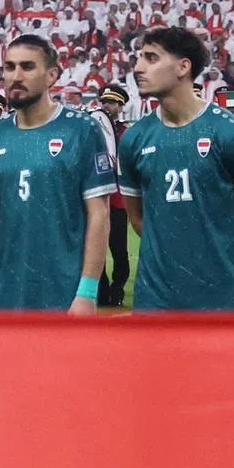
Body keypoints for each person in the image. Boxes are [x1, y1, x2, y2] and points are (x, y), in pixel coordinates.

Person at [0, 34, 114, 314]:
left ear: (52, 75)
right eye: (9, 67)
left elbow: (99, 215)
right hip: (4, 296)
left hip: (65, 295)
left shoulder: (82, 130)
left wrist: (87, 292)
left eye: (27, 67)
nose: (16, 76)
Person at [118, 29, 234, 310]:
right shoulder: (134, 139)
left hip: (219, 296)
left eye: (151, 58)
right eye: (139, 58)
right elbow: (137, 218)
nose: (138, 67)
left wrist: (223, 261)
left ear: (183, 67)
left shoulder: (230, 132)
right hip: (154, 299)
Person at [90, 84, 131, 306]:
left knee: (119, 250)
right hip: (97, 199)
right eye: (105, 102)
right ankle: (102, 290)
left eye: (112, 103)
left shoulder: (127, 132)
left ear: (121, 107)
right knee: (97, 247)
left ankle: (118, 289)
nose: (107, 106)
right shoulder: (92, 129)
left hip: (117, 200)